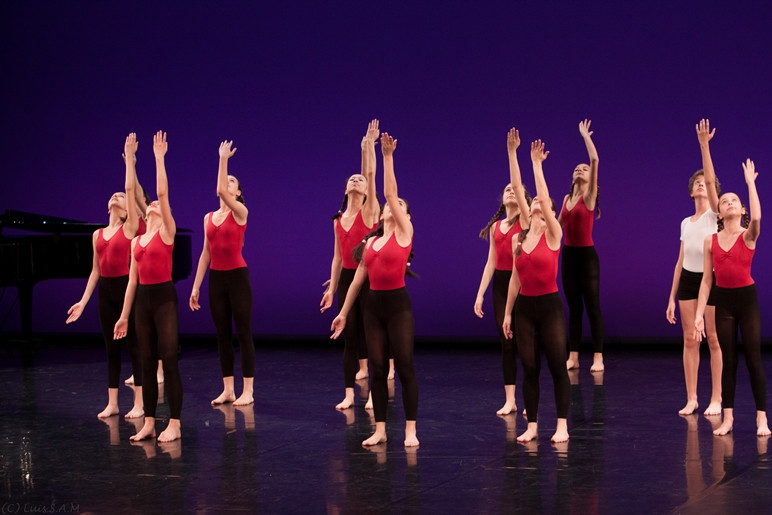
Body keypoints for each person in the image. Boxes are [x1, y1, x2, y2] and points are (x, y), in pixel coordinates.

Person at [331, 132, 419, 447]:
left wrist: (387, 157)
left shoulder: (405, 234)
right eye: (391, 207)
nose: (393, 207)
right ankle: (380, 429)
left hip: (397, 306)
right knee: (378, 369)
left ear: (404, 215)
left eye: (399, 206)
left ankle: (410, 430)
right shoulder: (370, 242)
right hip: (373, 308)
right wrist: (343, 313)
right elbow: (357, 279)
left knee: (404, 367)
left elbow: (389, 192)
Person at [693, 118, 769, 437]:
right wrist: (699, 314)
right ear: (720, 212)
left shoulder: (747, 236)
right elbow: (706, 281)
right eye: (725, 201)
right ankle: (728, 417)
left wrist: (750, 183)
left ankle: (762, 418)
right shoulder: (711, 240)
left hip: (746, 300)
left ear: (741, 210)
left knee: (753, 358)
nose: (728, 203)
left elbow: (759, 218)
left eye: (733, 201)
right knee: (728, 360)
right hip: (722, 301)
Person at [66, 133, 144, 419]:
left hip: (126, 290)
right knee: (111, 349)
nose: (116, 195)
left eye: (120, 196)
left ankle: (139, 403)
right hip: (105, 293)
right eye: (114, 195)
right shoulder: (97, 234)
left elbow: (130, 188)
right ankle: (112, 403)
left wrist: (130, 160)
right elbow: (95, 271)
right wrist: (83, 302)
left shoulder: (129, 227)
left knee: (134, 347)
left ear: (126, 209)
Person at [114, 130, 182, 442]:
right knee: (146, 361)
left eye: (155, 204)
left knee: (169, 359)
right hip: (142, 300)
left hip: (164, 298)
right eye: (150, 204)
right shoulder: (136, 241)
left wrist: (158, 158)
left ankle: (175, 424)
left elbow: (162, 194)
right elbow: (132, 280)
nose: (153, 203)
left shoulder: (167, 231)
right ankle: (150, 422)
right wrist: (124, 315)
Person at [503, 139, 570, 443]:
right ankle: (531, 425)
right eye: (533, 205)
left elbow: (541, 195)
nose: (537, 205)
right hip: (525, 309)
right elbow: (515, 279)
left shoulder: (554, 234)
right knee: (529, 368)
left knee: (557, 366)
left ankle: (562, 425)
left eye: (542, 205)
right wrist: (512, 153)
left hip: (549, 307)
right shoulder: (518, 239)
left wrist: (537, 165)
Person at [321, 120, 381, 410]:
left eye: (360, 181)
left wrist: (367, 145)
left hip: (368, 279)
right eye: (351, 180)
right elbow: (337, 257)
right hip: (347, 278)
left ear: (366, 191)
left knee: (371, 334)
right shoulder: (337, 220)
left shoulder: (369, 212)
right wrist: (332, 288)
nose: (356, 181)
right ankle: (348, 394)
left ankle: (372, 394)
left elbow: (369, 174)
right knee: (349, 336)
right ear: (345, 190)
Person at [190, 140, 256, 406]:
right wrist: (196, 286)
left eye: (231, 182)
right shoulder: (208, 218)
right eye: (225, 180)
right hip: (216, 280)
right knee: (222, 335)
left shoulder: (241, 212)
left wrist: (223, 158)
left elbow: (219, 189)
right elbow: (206, 253)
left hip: (238, 277)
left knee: (243, 332)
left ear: (238, 192)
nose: (226, 184)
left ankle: (248, 390)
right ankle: (228, 389)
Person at [474, 127, 530, 416]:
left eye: (514, 190)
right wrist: (480, 294)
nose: (511, 190)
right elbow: (491, 263)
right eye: (506, 189)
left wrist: (512, 153)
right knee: (506, 341)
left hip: (524, 284)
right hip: (501, 283)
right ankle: (510, 399)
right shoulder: (497, 227)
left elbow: (518, 185)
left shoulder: (527, 222)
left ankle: (530, 398)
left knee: (525, 340)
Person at [666, 156, 722, 416]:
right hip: (689, 280)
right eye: (696, 183)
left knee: (713, 338)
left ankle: (717, 398)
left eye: (704, 183)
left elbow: (710, 181)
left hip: (712, 279)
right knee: (690, 339)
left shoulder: (715, 216)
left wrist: (704, 146)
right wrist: (671, 297)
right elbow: (680, 262)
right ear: (690, 192)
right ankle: (692, 398)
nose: (701, 184)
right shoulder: (685, 223)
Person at [561, 120, 604, 372]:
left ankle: (598, 356)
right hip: (568, 257)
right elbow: (556, 228)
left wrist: (585, 136)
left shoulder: (589, 197)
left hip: (587, 258)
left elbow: (595, 160)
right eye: (577, 168)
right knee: (574, 309)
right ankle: (574, 356)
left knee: (592, 307)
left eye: (584, 169)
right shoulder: (567, 199)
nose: (580, 169)